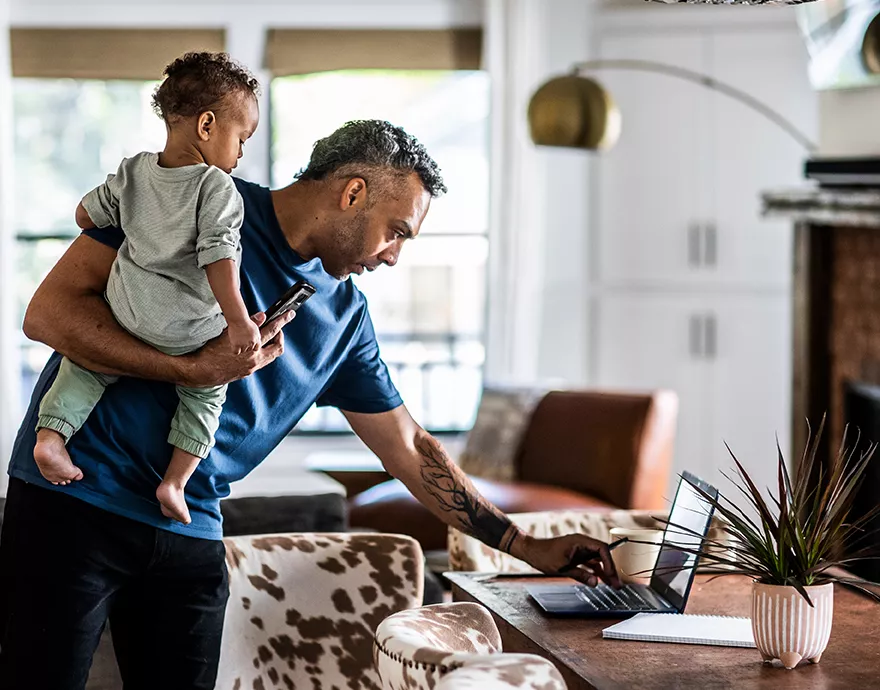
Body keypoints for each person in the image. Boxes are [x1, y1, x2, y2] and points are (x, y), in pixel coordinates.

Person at [1, 119, 620, 690]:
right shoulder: (190, 194)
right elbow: (48, 314)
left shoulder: (345, 317)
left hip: (190, 527)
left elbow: (407, 446)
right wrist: (193, 369)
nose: (395, 255)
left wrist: (522, 545)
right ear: (352, 193)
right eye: (396, 230)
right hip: (74, 503)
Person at [33, 52, 262, 525]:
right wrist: (238, 321)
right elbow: (219, 256)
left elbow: (83, 215)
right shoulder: (217, 187)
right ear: (206, 126)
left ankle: (51, 440)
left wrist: (124, 208)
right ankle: (175, 483)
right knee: (206, 395)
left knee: (81, 369)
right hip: (186, 330)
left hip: (126, 316)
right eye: (241, 139)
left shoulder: (135, 171)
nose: (240, 153)